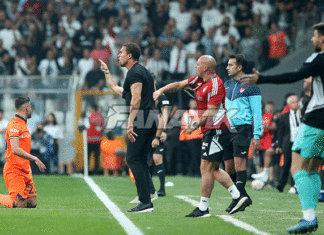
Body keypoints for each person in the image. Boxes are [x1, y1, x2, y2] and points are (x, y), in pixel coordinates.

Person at [242, 22, 324, 234]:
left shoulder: (319, 58)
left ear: (322, 38)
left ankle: (309, 218)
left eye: (315, 36)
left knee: (297, 168)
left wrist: (262, 78)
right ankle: (313, 206)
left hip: (316, 119)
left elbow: (293, 75)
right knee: (312, 169)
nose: (313, 40)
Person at [154, 55, 248, 217]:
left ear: (206, 68)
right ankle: (238, 195)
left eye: (197, 64)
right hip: (211, 130)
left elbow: (211, 111)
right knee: (212, 168)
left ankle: (204, 208)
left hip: (217, 129)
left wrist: (195, 125)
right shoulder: (199, 80)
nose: (194, 66)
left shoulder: (215, 84)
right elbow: (179, 85)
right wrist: (161, 90)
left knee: (206, 168)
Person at [99, 42, 158, 213]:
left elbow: (137, 98)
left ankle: (145, 201)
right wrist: (106, 72)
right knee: (138, 159)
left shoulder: (134, 73)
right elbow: (116, 89)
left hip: (142, 117)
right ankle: (149, 196)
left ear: (130, 56)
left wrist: (131, 121)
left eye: (121, 52)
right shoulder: (141, 71)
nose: (118, 55)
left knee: (132, 158)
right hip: (150, 117)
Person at [223, 54, 262, 213]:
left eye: (230, 65)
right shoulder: (226, 84)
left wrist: (257, 135)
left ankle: (236, 199)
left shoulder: (252, 86)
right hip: (227, 129)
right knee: (228, 168)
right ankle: (243, 197)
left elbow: (257, 112)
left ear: (239, 67)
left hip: (243, 129)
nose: (227, 67)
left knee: (239, 165)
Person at [0, 97, 46, 208]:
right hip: (14, 169)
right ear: (27, 108)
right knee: (21, 204)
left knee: (32, 203)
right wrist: (34, 158)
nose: (31, 109)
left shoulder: (23, 123)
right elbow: (15, 149)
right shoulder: (14, 124)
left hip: (25, 169)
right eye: (30, 107)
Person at [87, 103, 105, 175]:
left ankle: (86, 171)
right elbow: (103, 128)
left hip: (90, 140)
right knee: (96, 157)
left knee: (88, 156)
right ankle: (96, 171)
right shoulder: (101, 118)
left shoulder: (89, 117)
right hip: (98, 140)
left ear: (93, 109)